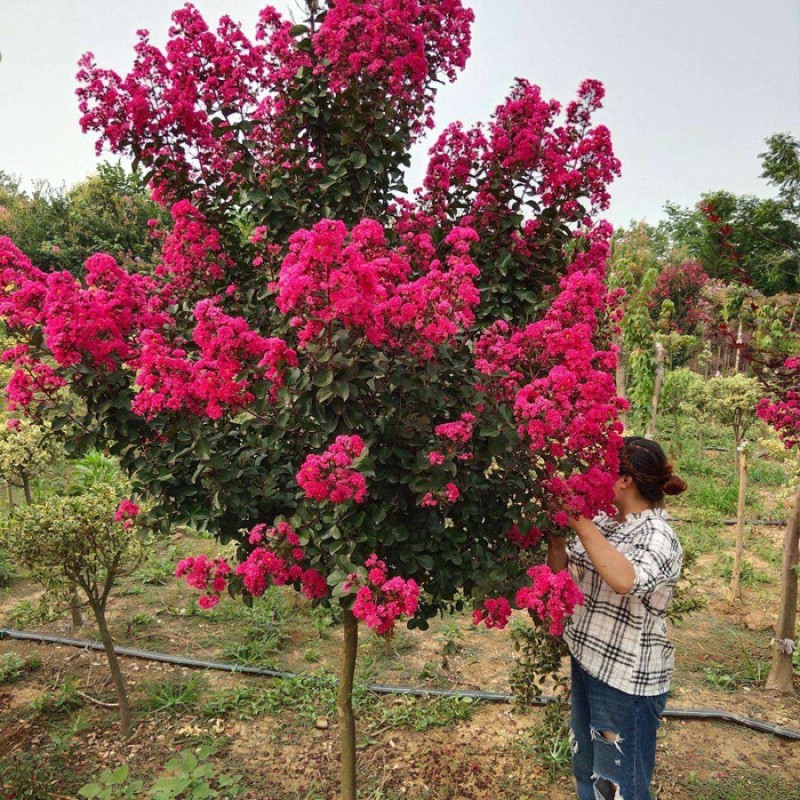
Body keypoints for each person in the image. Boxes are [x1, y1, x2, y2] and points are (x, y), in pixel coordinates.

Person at [547, 436, 687, 800]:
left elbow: (625, 580)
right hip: (588, 661)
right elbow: (563, 574)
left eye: (600, 468)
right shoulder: (606, 522)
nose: (592, 476)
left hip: (626, 680)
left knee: (619, 786)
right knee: (587, 769)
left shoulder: (658, 535)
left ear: (624, 479)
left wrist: (579, 522)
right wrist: (557, 540)